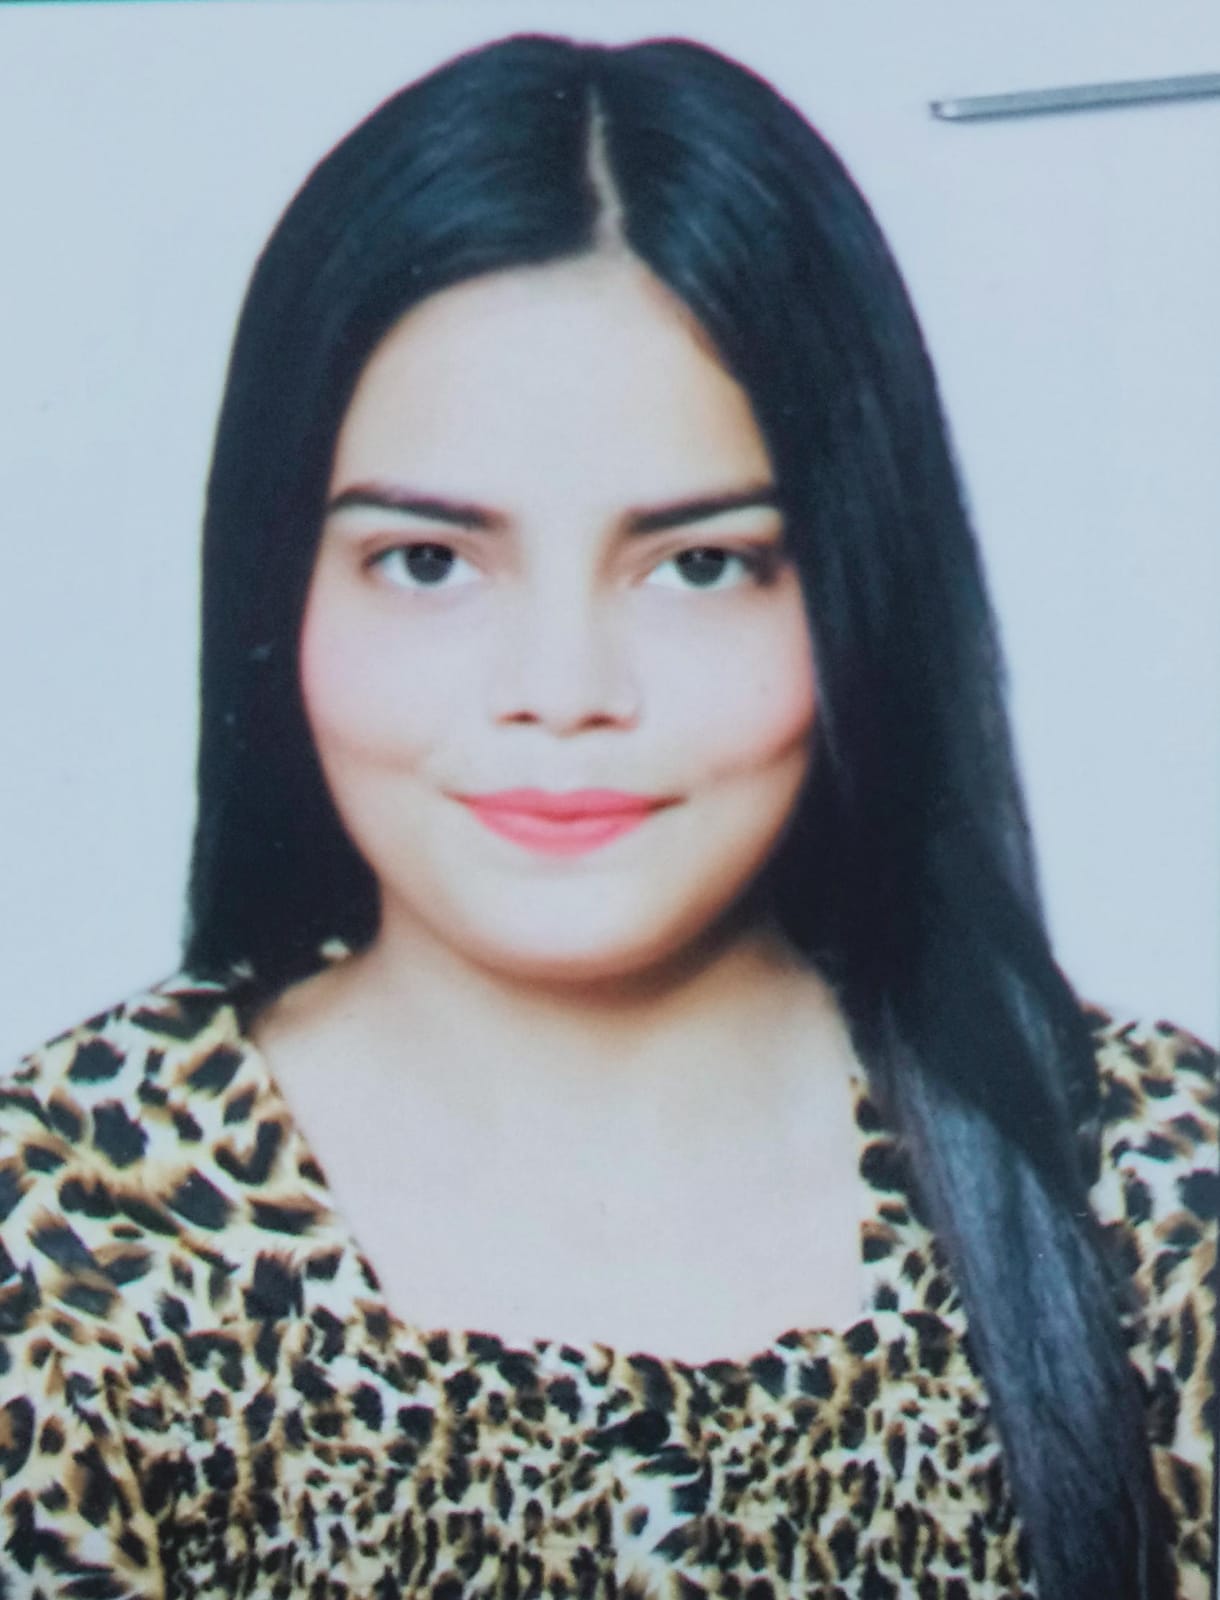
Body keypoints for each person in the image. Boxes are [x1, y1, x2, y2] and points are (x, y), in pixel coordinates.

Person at [0, 32, 1213, 1600]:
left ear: (855, 586)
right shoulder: (60, 1241)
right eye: (427, 563)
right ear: (276, 584)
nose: (562, 692)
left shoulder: (1155, 1199)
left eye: (699, 564)